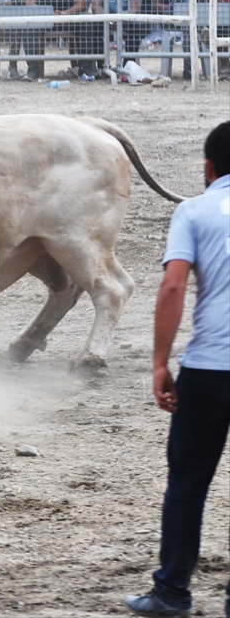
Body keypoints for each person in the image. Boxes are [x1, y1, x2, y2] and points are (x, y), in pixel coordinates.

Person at [123, 122, 230, 618]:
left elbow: (172, 289)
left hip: (209, 368)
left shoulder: (195, 210)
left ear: (208, 168)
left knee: (188, 481)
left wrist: (160, 362)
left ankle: (171, 594)